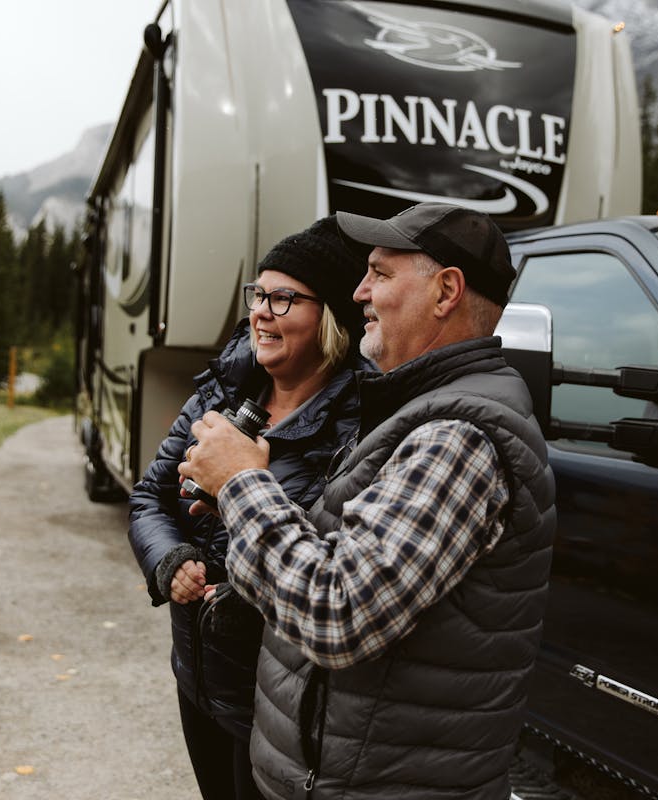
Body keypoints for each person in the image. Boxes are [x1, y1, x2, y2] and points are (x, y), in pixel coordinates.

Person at [179, 202, 556, 800]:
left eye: (380, 274)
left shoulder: (457, 439)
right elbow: (351, 558)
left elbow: (339, 610)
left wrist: (242, 485)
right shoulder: (417, 413)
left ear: (446, 291)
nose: (358, 293)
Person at [128, 215, 369, 800]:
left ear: (331, 317)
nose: (261, 311)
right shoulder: (221, 392)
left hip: (282, 699)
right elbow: (149, 498)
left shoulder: (358, 424)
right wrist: (170, 559)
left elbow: (327, 556)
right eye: (258, 294)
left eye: (283, 298)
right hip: (200, 673)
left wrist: (239, 583)